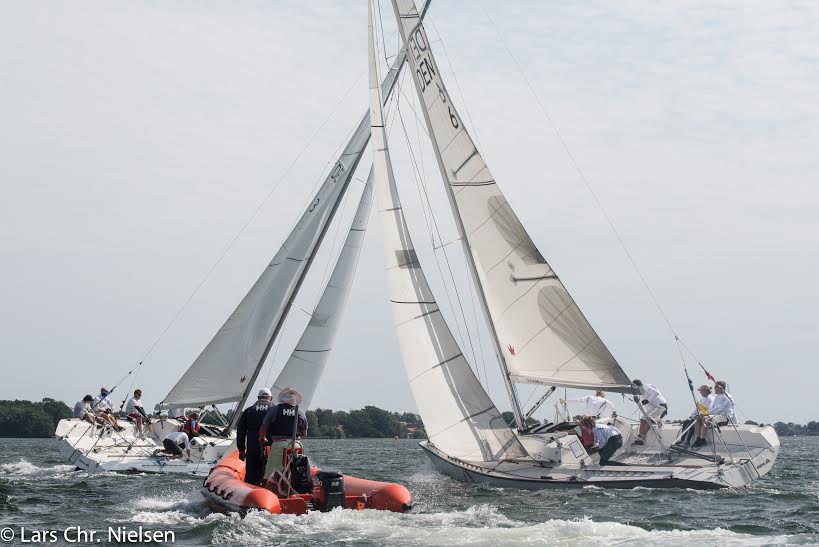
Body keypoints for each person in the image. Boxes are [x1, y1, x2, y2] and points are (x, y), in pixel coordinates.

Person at [258, 388, 308, 483]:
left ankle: (268, 491)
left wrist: (262, 438)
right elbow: (305, 433)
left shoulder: (275, 409)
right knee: (296, 472)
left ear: (281, 398)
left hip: (279, 445)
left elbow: (264, 426)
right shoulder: (300, 411)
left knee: (270, 473)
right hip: (297, 445)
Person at [236, 388, 274, 485]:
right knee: (270, 472)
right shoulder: (275, 409)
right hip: (270, 445)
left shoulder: (249, 410)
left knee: (251, 475)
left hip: (252, 444)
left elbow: (241, 431)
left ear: (258, 397)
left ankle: (250, 494)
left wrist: (241, 449)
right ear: (271, 398)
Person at [692, 381, 735, 448]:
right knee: (698, 419)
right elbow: (711, 408)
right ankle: (698, 439)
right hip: (715, 415)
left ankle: (703, 440)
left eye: (715, 387)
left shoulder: (727, 397)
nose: (714, 389)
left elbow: (718, 408)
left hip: (724, 417)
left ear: (720, 388)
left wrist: (706, 414)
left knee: (706, 419)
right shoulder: (717, 397)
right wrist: (702, 414)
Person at [631, 379, 667, 445]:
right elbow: (648, 406)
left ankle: (642, 436)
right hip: (653, 409)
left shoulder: (646, 386)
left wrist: (647, 400)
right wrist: (638, 401)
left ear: (637, 385)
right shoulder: (641, 394)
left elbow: (656, 393)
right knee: (643, 419)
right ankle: (640, 438)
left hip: (662, 407)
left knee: (650, 418)